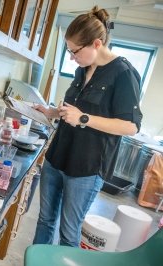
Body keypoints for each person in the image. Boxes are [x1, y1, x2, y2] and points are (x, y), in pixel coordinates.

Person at [33, 6, 143, 247]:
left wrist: (84, 119)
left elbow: (131, 127)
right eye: (69, 51)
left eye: (74, 52)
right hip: (57, 157)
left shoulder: (124, 74)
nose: (72, 57)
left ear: (96, 43)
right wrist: (51, 111)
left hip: (86, 168)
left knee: (68, 231)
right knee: (44, 220)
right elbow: (72, 110)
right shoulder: (81, 71)